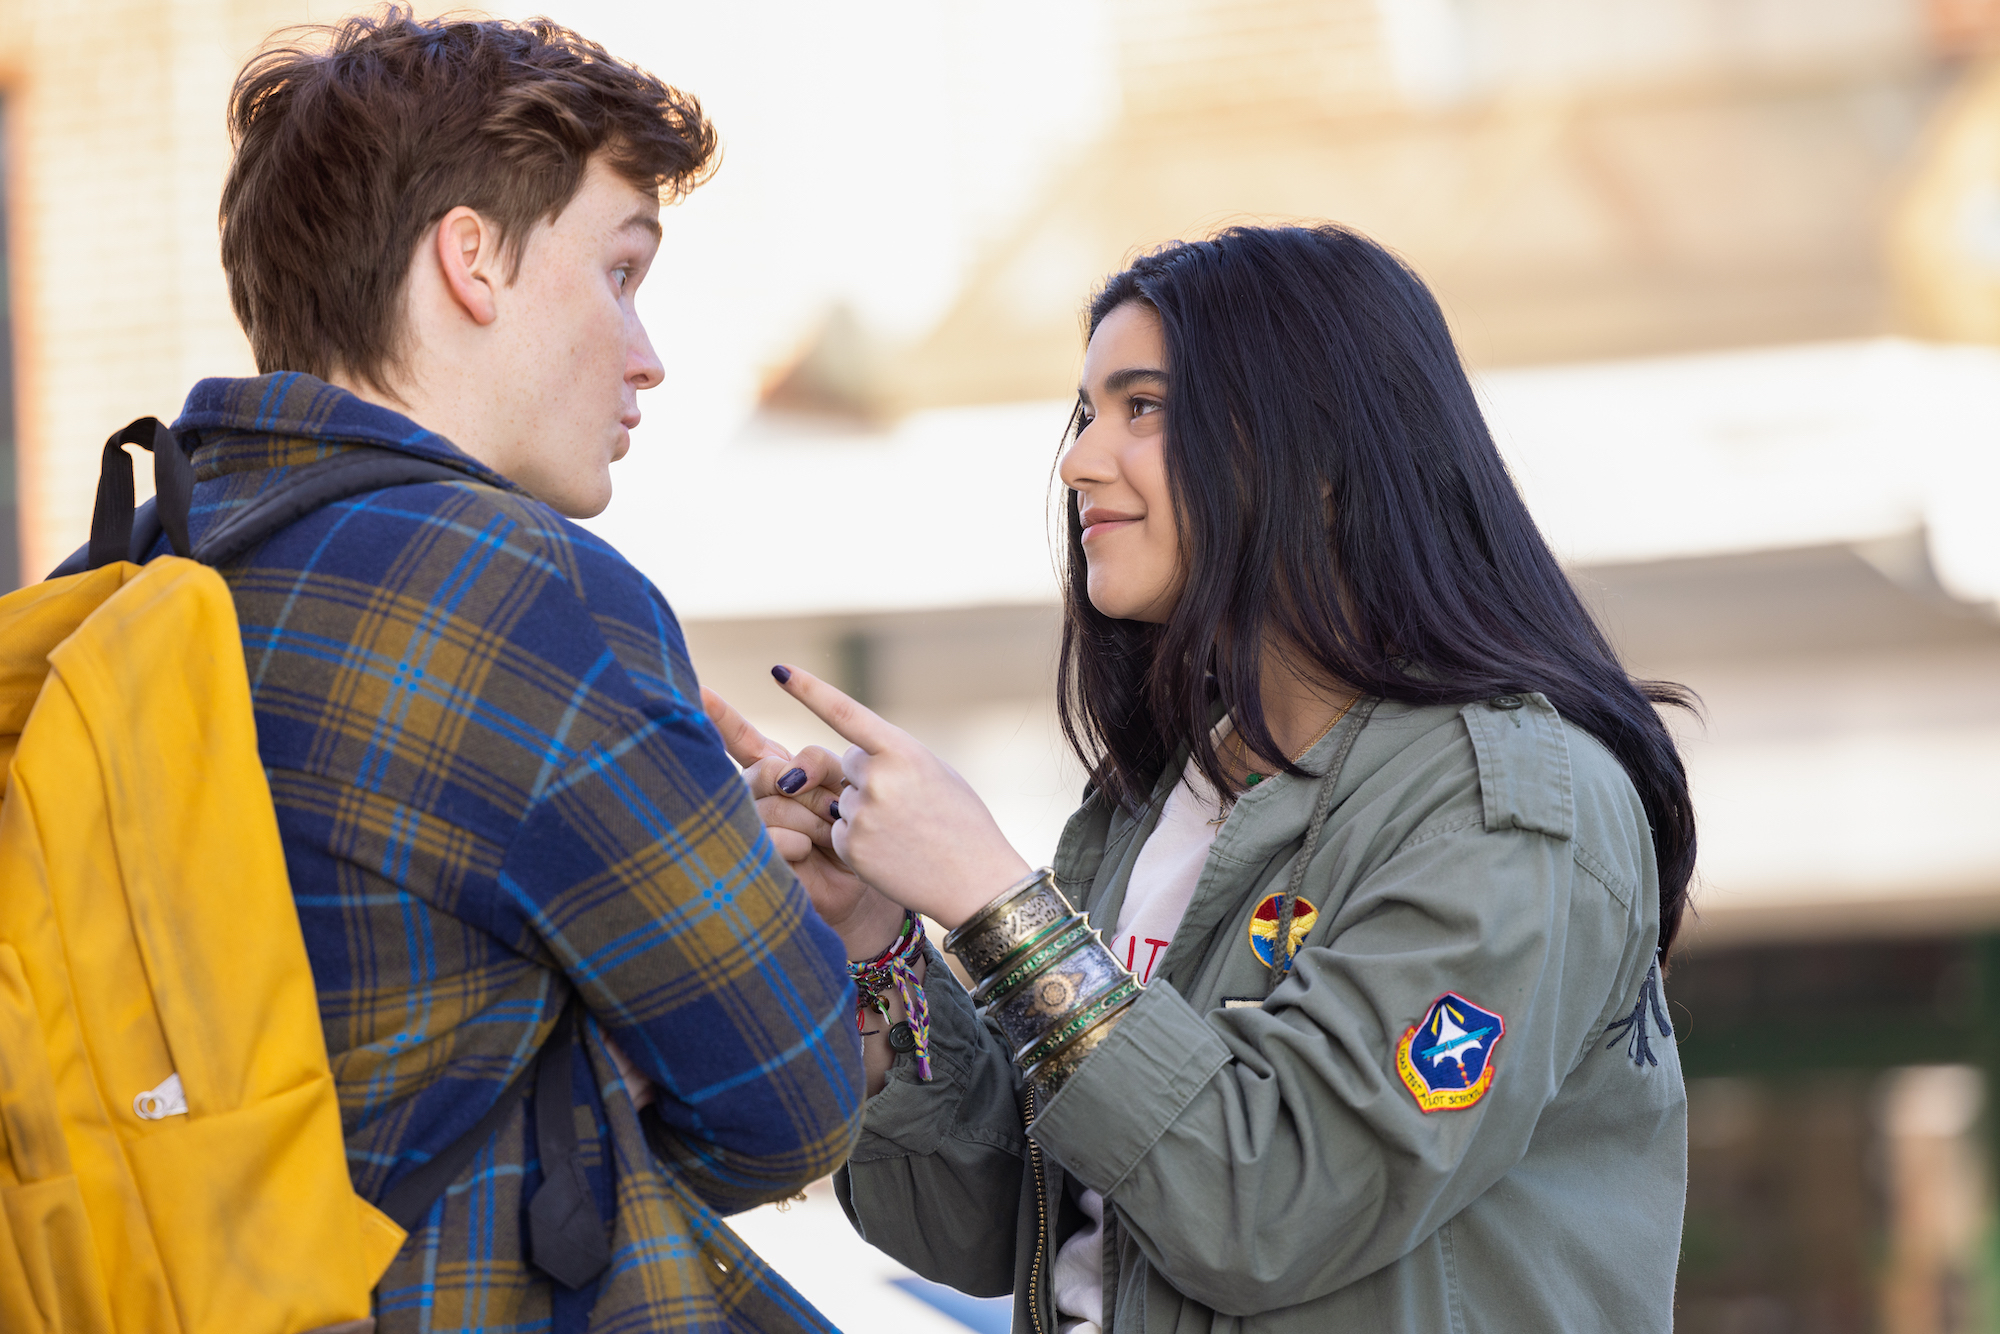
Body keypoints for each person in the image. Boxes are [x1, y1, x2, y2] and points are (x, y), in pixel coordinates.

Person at [714, 224, 1695, 1332]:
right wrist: (873, 938)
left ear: (1320, 453)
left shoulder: (1505, 803)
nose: (1082, 459)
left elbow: (1273, 1201)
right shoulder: (1156, 801)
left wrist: (994, 901)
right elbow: (987, 1222)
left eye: (1144, 408)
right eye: (1086, 412)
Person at [164, 11, 864, 1331]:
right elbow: (792, 1096)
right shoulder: (512, 590)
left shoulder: (143, 568)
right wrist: (621, 1053)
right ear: (471, 259)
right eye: (619, 271)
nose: (647, 352)